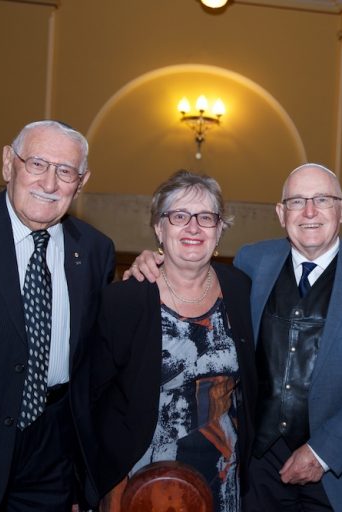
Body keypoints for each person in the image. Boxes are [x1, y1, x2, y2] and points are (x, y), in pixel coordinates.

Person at [127, 163, 342, 511]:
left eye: (323, 199)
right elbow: (193, 276)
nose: (310, 212)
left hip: (337, 470)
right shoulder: (252, 262)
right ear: (280, 213)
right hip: (256, 466)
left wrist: (323, 452)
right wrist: (153, 261)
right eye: (297, 201)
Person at [0, 120, 115, 511]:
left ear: (81, 182)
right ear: (8, 163)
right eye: (37, 164)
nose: (49, 184)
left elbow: (95, 362)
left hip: (54, 450)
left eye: (65, 172)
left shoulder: (96, 251)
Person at [89, 171, 256, 511]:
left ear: (220, 229)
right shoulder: (125, 300)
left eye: (206, 217)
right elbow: (92, 399)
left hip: (222, 472)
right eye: (179, 216)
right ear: (159, 228)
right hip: (139, 474)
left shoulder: (240, 289)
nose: (193, 227)